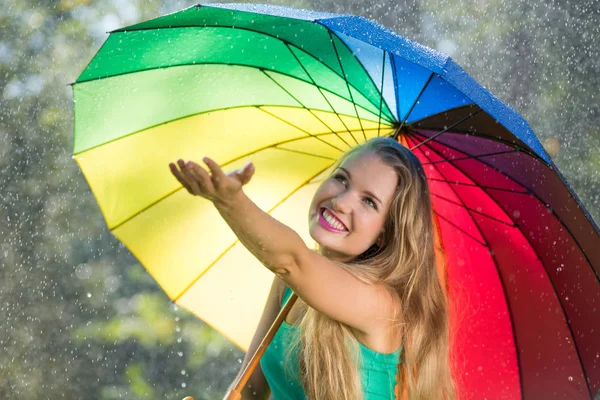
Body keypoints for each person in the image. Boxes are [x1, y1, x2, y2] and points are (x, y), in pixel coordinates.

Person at [171, 137, 456, 400]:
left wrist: (230, 200)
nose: (341, 202)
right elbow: (251, 392)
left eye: (369, 202)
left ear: (385, 232)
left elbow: (291, 261)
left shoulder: (381, 304)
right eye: (342, 180)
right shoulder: (288, 284)